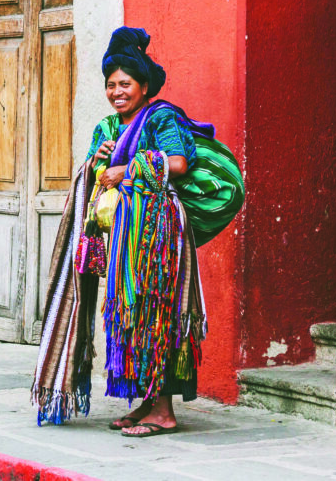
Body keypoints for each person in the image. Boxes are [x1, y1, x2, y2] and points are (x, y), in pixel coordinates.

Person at [33, 27, 212, 438]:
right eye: (111, 85)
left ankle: (164, 411)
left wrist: (126, 169)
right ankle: (146, 402)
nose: (117, 92)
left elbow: (179, 163)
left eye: (125, 84)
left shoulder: (162, 117)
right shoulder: (107, 128)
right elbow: (98, 180)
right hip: (123, 243)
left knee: (155, 315)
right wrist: (97, 164)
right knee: (128, 319)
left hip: (159, 238)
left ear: (144, 86)